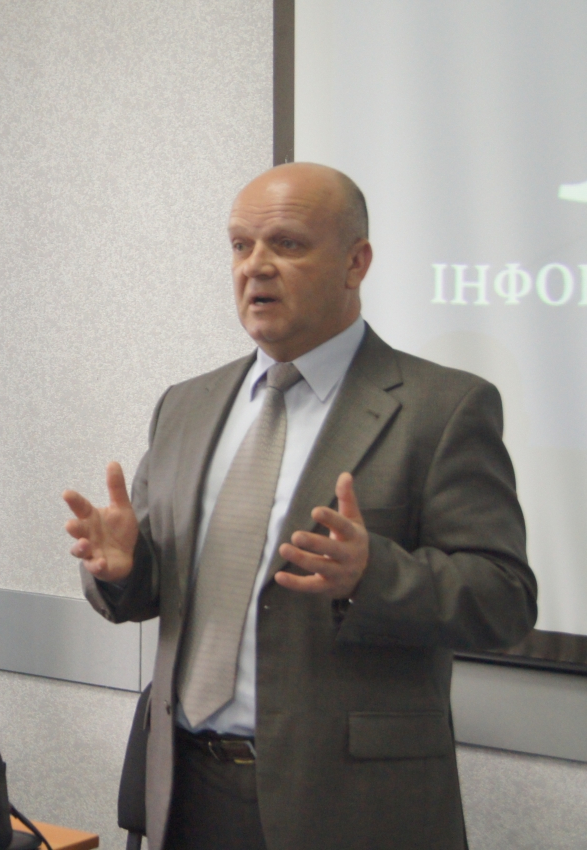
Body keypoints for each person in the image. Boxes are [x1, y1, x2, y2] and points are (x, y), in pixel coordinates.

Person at [63, 163, 536, 850]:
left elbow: (506, 598)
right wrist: (124, 569)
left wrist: (373, 575)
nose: (255, 266)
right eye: (240, 245)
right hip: (186, 790)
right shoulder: (187, 406)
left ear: (355, 263)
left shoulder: (443, 408)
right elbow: (158, 590)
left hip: (350, 807)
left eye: (286, 244)